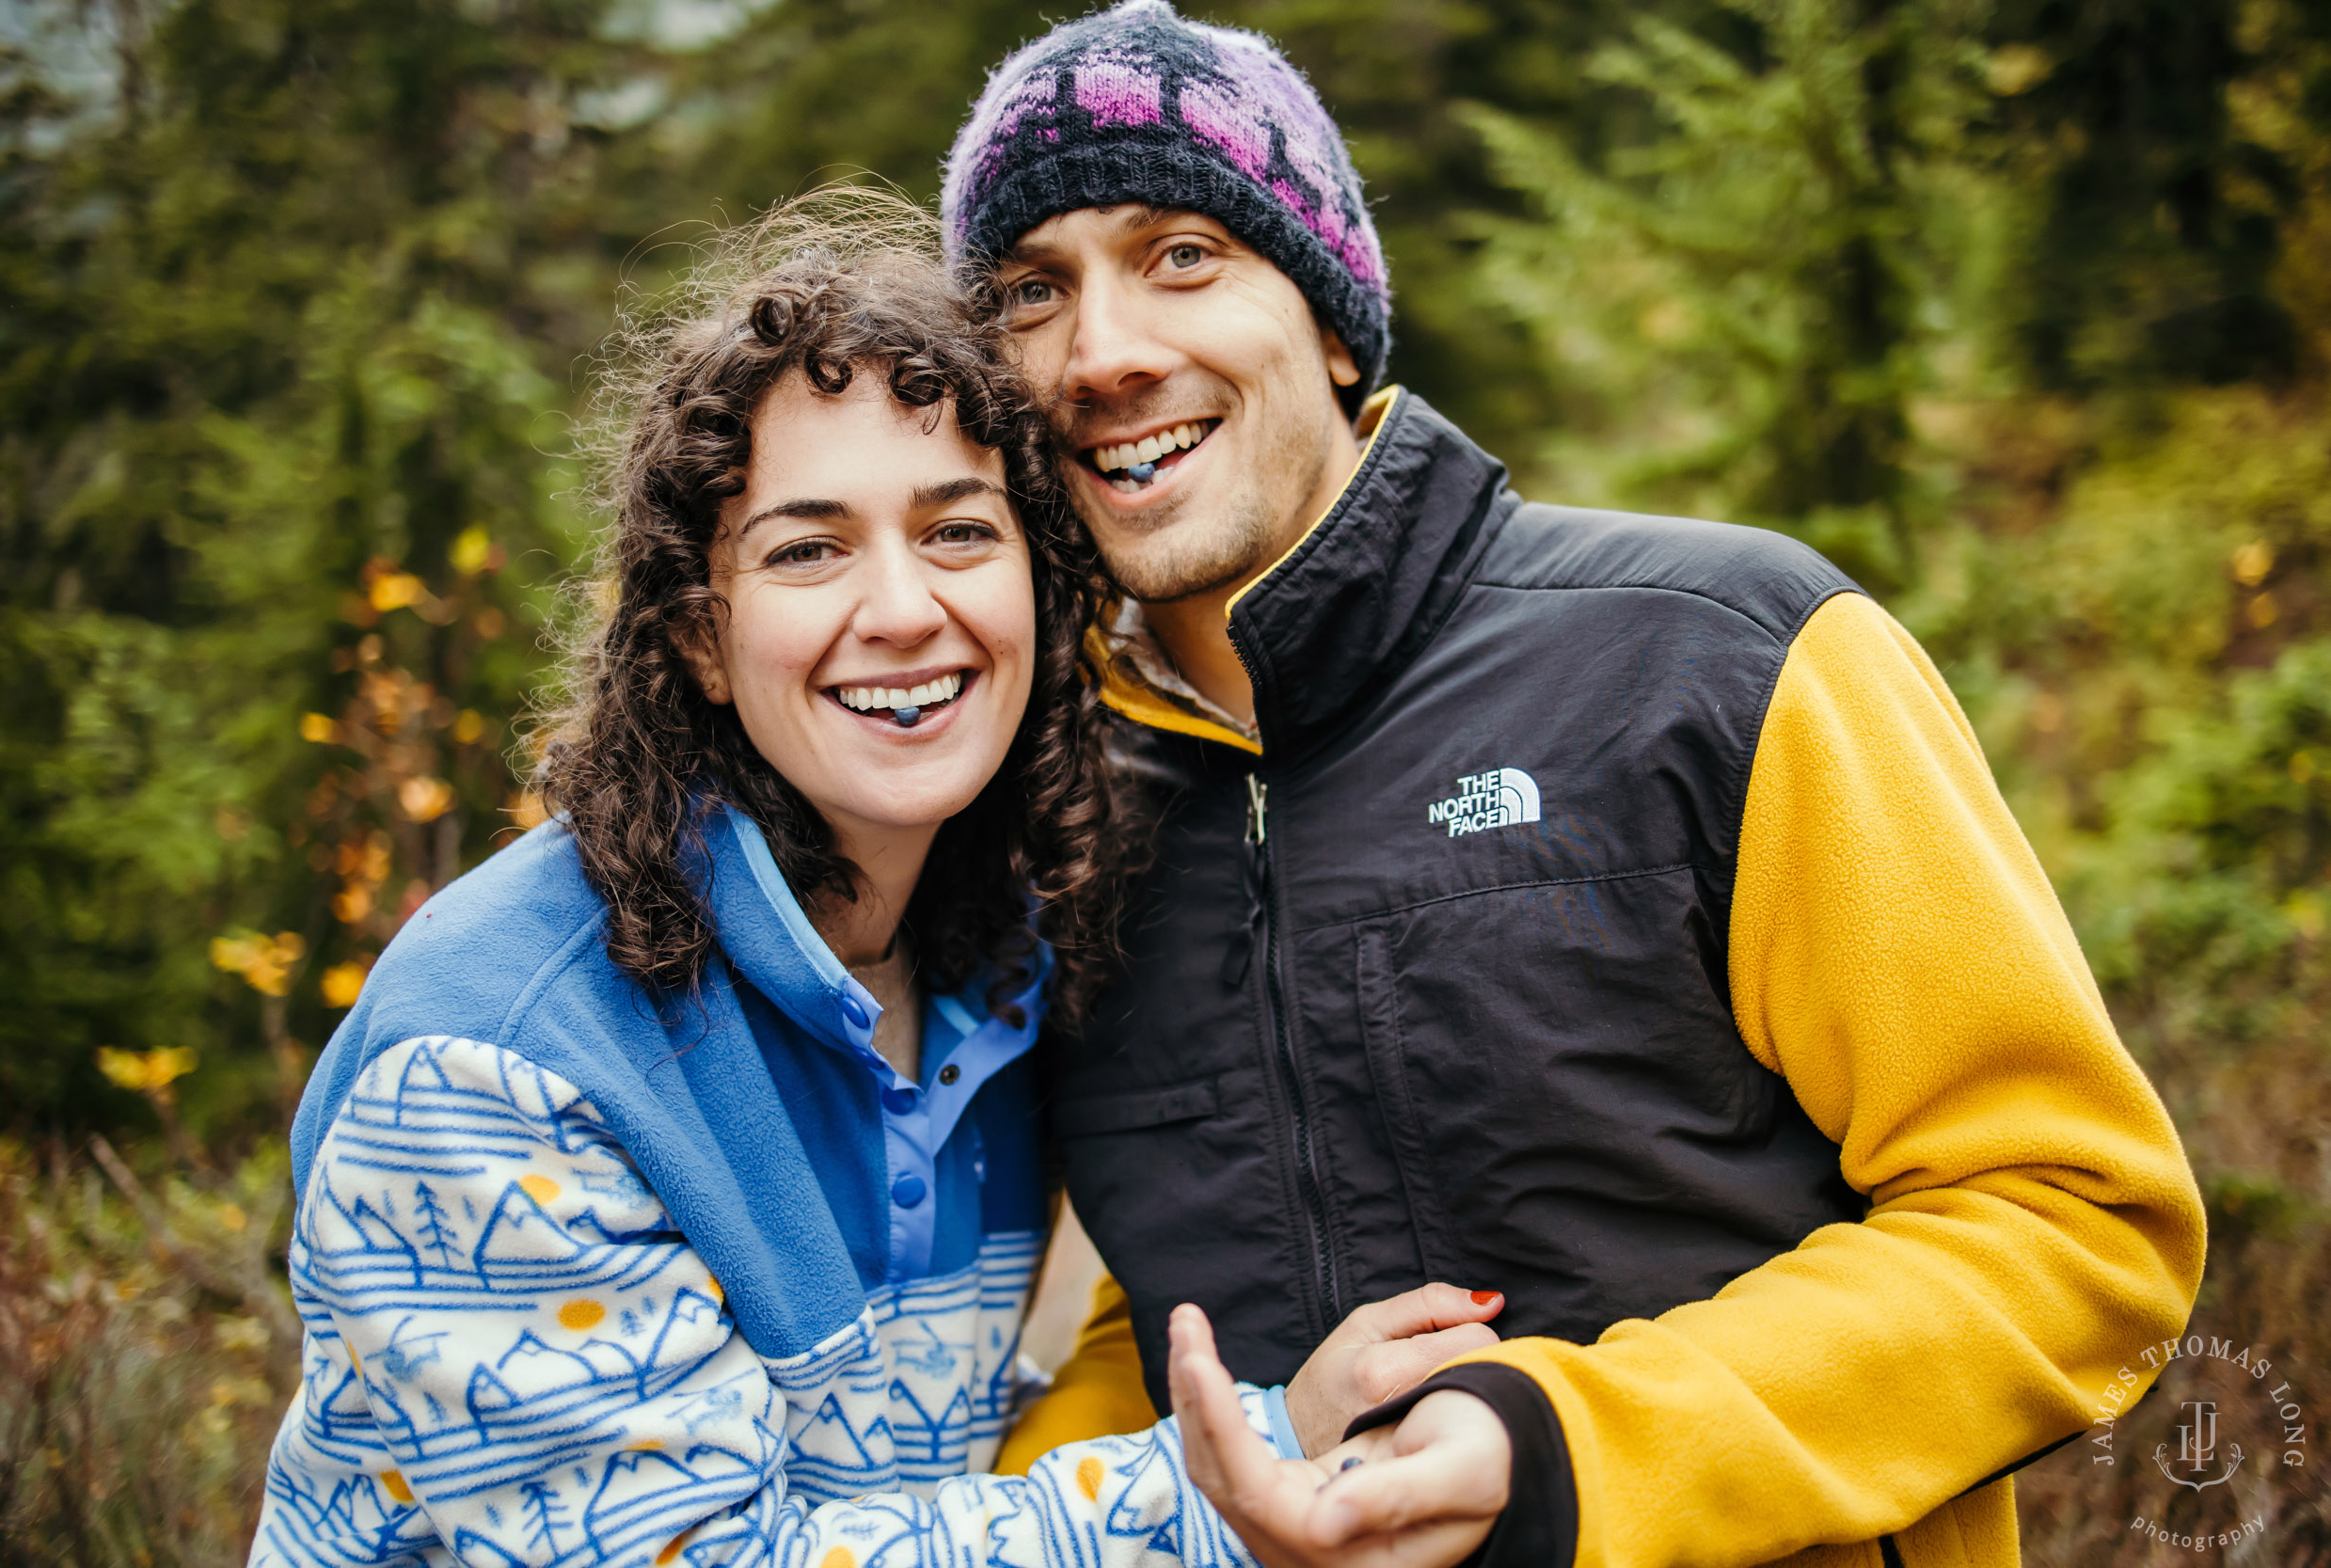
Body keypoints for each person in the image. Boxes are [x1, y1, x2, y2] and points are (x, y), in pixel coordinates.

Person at [943, 6, 2210, 1566]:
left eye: (1183, 254)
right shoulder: (1066, 798)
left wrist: (1560, 1456)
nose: (1105, 352)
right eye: (1028, 293)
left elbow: (2071, 1222)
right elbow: (1161, 1310)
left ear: (1335, 322)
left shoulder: (1723, 655)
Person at [246, 195, 1498, 1568]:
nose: (904, 610)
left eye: (960, 531)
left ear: (1042, 590)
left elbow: (884, 1468)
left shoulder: (1003, 965)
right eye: (807, 549)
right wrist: (1246, 1460)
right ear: (701, 642)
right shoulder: (496, 1065)